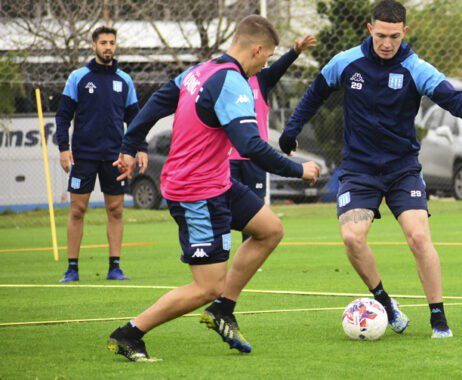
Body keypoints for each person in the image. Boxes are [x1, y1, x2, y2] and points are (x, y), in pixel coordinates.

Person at [279, 0, 462, 339]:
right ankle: (385, 302)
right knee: (352, 238)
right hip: (359, 169)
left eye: (394, 36)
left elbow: (451, 97)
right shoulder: (346, 62)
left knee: (419, 236)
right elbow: (314, 94)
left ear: (404, 32)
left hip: (402, 169)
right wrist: (291, 130)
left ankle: (438, 318)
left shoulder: (415, 67)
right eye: (381, 35)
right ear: (370, 29)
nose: (386, 43)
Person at [106, 15, 321, 362]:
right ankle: (129, 334)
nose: (264, 65)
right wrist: (298, 170)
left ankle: (223, 310)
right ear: (256, 49)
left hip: (217, 182)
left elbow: (160, 100)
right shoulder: (232, 83)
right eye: (266, 58)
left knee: (269, 230)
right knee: (206, 286)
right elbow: (251, 145)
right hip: (196, 193)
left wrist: (131, 144)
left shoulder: (201, 70)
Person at [54, 26, 146, 283]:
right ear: (93, 46)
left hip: (115, 157)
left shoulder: (124, 80)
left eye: (112, 42)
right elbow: (62, 116)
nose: (108, 46)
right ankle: (72, 268)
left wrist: (140, 148)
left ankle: (114, 267)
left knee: (116, 210)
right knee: (77, 210)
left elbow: (136, 120)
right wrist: (64, 148)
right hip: (83, 156)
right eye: (103, 42)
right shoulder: (78, 77)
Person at [230, 34, 317, 243]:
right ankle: (219, 259)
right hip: (228, 157)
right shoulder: (227, 79)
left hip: (255, 158)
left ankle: (247, 261)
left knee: (254, 212)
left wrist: (295, 51)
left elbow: (279, 68)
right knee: (225, 210)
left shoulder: (262, 79)